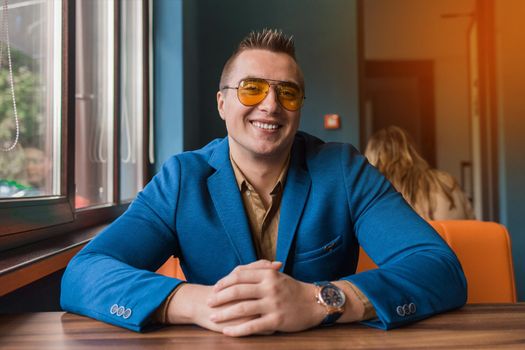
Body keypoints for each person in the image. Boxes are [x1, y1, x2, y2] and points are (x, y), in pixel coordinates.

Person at [61, 29, 466, 336]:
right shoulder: (181, 178)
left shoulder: (344, 168)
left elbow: (440, 268)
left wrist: (324, 299)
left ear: (299, 109)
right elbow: (83, 274)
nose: (271, 104)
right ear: (222, 103)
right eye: (251, 88)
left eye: (287, 93)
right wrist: (198, 304)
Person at [364, 126, 475, 220]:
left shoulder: (379, 196)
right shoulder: (447, 182)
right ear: (412, 151)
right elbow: (473, 223)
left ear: (372, 158)